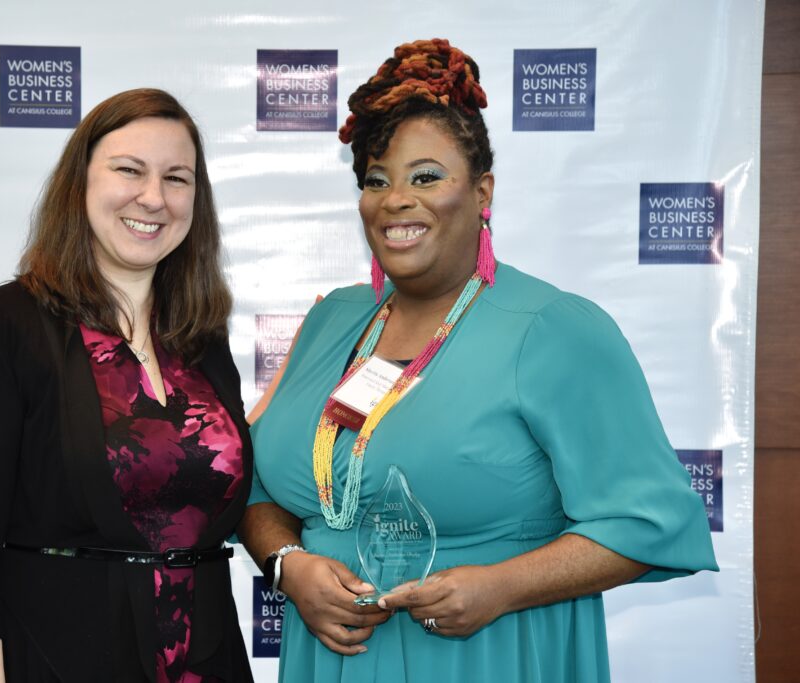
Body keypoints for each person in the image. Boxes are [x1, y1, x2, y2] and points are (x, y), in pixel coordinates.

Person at [238, 39, 717, 682]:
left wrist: (502, 586)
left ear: (483, 191)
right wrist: (288, 565)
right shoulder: (333, 320)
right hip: (334, 658)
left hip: (492, 654)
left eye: (426, 176)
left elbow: (650, 521)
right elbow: (259, 487)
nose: (396, 200)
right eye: (376, 180)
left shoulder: (552, 330)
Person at [0, 89, 254, 683]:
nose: (153, 197)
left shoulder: (201, 338)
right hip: (49, 662)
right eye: (129, 170)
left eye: (177, 178)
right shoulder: (3, 326)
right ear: (81, 182)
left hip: (205, 662)